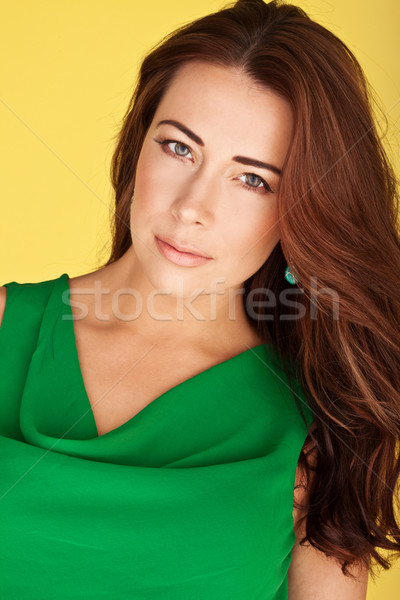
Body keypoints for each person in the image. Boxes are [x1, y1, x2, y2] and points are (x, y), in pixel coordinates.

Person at [0, 0, 399, 597]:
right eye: (180, 148)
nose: (192, 208)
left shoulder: (323, 417)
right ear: (138, 146)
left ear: (301, 211)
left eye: (253, 179)